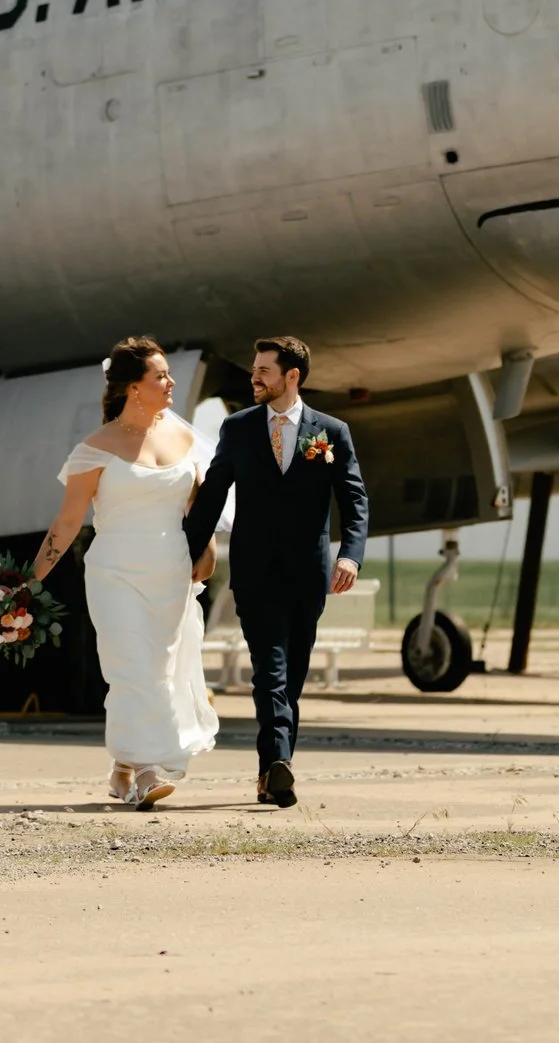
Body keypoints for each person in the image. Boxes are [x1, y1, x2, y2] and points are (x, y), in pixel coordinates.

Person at [30, 337, 218, 809]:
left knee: (156, 669)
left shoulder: (186, 439)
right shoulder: (96, 448)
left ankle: (122, 766)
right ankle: (148, 772)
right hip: (115, 572)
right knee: (133, 667)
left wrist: (208, 550)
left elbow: (200, 507)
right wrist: (29, 582)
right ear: (134, 388)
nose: (171, 382)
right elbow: (68, 521)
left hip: (170, 571)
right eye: (160, 376)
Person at [182, 335, 368, 809]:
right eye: (254, 368)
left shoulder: (331, 431)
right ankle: (278, 763)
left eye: (264, 369)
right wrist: (184, 549)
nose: (254, 376)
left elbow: (354, 499)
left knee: (295, 673)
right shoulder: (237, 428)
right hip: (255, 570)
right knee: (271, 671)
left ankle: (270, 773)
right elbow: (213, 493)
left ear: (292, 376)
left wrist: (350, 555)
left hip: (308, 574)